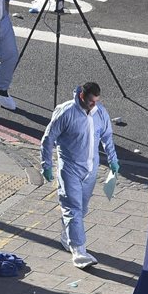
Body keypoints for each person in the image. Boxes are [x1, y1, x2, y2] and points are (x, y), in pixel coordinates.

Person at [40, 82, 120, 268]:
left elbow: (107, 137)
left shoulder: (100, 112)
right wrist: (47, 165)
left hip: (90, 170)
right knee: (73, 208)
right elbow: (48, 139)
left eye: (97, 102)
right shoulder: (66, 112)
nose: (94, 105)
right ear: (82, 96)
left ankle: (67, 237)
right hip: (70, 168)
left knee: (82, 209)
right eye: (91, 101)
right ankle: (79, 253)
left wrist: (113, 160)